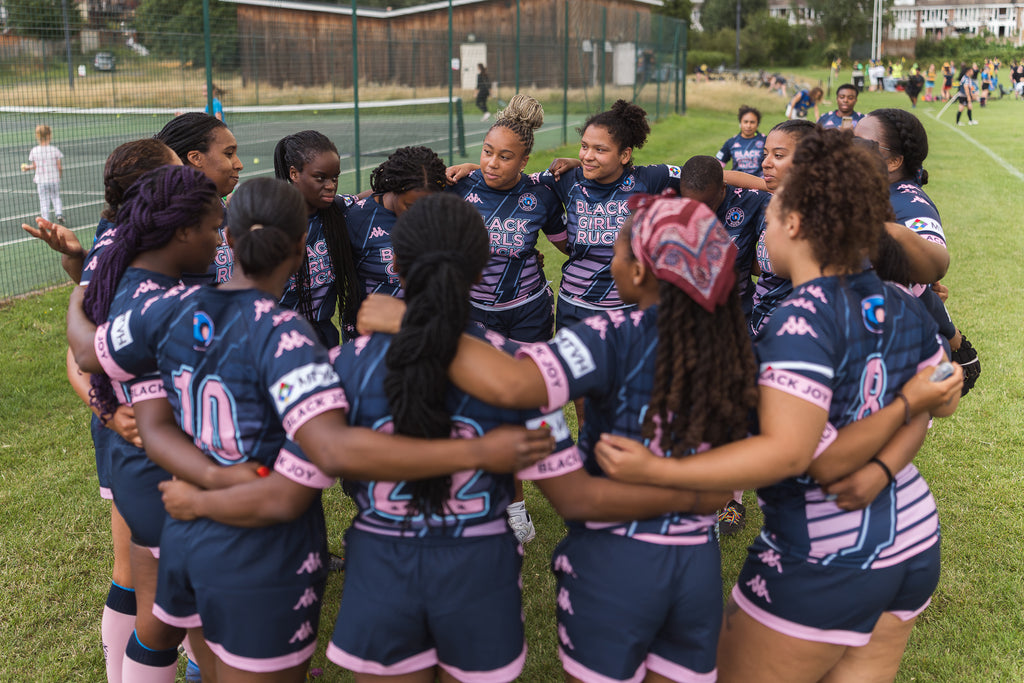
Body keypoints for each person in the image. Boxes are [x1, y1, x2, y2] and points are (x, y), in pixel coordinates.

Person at [70, 178, 555, 681]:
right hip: (269, 550)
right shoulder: (288, 338)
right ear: (304, 247)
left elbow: (96, 360)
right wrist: (477, 451)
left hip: (193, 534)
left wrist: (82, 282)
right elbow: (323, 455)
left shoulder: (170, 311)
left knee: (206, 657)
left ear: (229, 240)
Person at [594, 128, 964, 683]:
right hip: (913, 536)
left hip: (828, 551)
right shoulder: (899, 299)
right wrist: (891, 451)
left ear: (792, 225)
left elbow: (803, 457)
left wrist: (658, 470)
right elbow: (939, 399)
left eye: (768, 221)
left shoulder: (802, 321)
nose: (763, 231)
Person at [74, 165, 245, 682]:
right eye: (215, 229)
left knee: (166, 620)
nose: (220, 241)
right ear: (181, 229)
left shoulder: (130, 277)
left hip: (142, 472)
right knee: (204, 626)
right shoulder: (167, 304)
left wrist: (74, 298)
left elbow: (88, 345)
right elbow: (87, 353)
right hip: (168, 479)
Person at [23, 138, 184, 683]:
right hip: (142, 439)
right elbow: (83, 351)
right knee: (147, 582)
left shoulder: (134, 242)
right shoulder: (130, 246)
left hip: (154, 434)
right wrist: (110, 411)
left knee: (154, 579)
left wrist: (76, 261)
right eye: (187, 166)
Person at [854, 108, 980, 394]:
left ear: (894, 161)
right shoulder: (870, 192)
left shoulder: (911, 206)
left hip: (892, 359)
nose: (850, 149)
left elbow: (932, 264)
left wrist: (952, 336)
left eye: (861, 143)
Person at [273, 130, 361, 347]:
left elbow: (371, 196)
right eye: (320, 178)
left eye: (335, 177)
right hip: (280, 339)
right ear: (294, 174)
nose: (331, 185)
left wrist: (461, 168)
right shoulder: (271, 220)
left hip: (324, 337)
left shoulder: (337, 209)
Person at [346, 146, 447, 299]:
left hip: (427, 320)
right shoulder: (359, 218)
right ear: (394, 190)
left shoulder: (448, 210)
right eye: (410, 207)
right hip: (370, 320)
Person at [154, 112, 242, 284]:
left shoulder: (224, 206)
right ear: (195, 158)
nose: (239, 164)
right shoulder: (167, 220)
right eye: (229, 153)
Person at [22, 124, 65, 224]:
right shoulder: (54, 150)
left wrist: (27, 168)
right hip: (54, 179)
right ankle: (59, 213)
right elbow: (59, 166)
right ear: (49, 135)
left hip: (41, 181)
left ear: (37, 136)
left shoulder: (34, 151)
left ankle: (45, 220)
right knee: (56, 197)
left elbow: (35, 166)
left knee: (44, 200)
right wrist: (59, 176)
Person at [716, 105, 767, 176]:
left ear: (757, 124)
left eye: (752, 122)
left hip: (759, 183)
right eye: (745, 122)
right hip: (737, 184)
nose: (748, 126)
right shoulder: (731, 142)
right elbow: (718, 165)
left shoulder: (766, 141)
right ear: (740, 123)